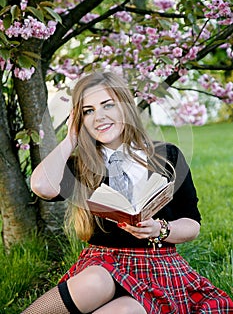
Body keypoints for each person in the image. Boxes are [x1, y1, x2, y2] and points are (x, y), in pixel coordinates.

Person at [22, 71, 233, 314]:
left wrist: (160, 229)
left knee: (127, 311)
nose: (99, 117)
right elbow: (41, 187)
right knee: (95, 280)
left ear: (125, 108)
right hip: (102, 266)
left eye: (107, 105)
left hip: (156, 267)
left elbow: (192, 224)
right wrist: (71, 137)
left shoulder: (167, 156)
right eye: (88, 111)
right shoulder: (81, 167)